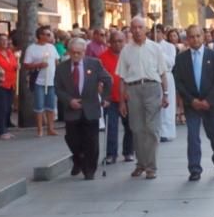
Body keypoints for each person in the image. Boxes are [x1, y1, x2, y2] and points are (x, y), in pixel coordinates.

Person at [117, 16, 169, 179]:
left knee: (153, 129)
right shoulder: (126, 50)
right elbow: (122, 77)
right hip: (133, 89)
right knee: (137, 129)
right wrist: (122, 101)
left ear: (146, 29)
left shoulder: (155, 48)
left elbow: (162, 73)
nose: (137, 30)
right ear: (130, 30)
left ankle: (151, 167)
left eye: (140, 27)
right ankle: (141, 163)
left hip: (152, 87)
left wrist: (165, 94)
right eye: (134, 28)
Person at [173, 25, 214, 180]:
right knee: (193, 136)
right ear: (187, 39)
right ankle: (195, 168)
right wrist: (192, 100)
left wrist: (208, 101)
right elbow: (179, 82)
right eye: (191, 37)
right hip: (192, 104)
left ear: (203, 36)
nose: (195, 39)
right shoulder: (181, 58)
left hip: (212, 104)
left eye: (198, 36)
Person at [54, 37, 112, 179]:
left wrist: (104, 98)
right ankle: (78, 159)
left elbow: (108, 80)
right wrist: (69, 101)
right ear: (68, 52)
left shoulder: (94, 64)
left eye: (79, 53)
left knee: (91, 140)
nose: (75, 56)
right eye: (73, 52)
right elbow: (58, 88)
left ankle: (89, 170)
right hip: (72, 109)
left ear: (84, 52)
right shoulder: (62, 67)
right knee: (72, 139)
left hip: (90, 107)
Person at [100, 30, 134, 164]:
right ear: (110, 42)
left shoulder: (130, 56)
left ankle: (128, 152)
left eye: (120, 41)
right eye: (114, 41)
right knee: (111, 127)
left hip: (128, 97)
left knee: (130, 127)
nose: (118, 44)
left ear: (125, 41)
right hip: (111, 99)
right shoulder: (102, 58)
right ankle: (111, 154)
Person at [23, 25, 60, 137]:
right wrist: (39, 65)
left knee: (51, 106)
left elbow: (56, 61)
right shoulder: (32, 48)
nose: (50, 36)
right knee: (39, 106)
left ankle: (51, 128)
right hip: (39, 80)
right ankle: (40, 129)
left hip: (51, 81)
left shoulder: (51, 47)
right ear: (40, 36)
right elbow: (26, 64)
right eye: (48, 34)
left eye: (50, 34)